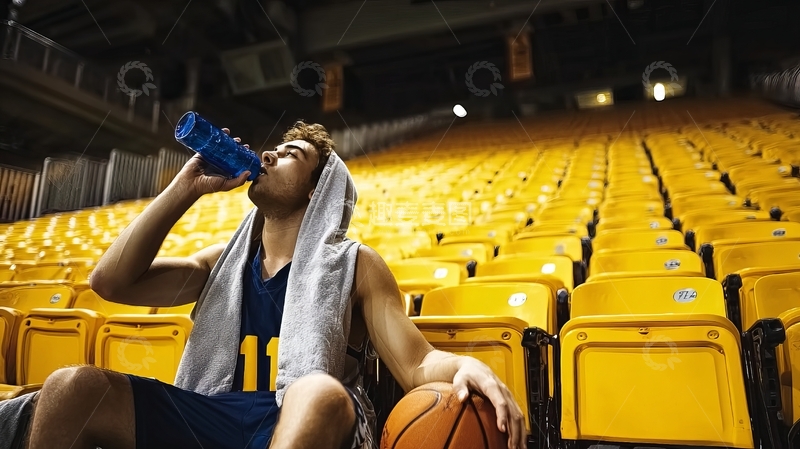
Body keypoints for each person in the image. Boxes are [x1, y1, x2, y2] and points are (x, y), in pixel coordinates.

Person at [23, 121, 527, 449]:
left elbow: (415, 363)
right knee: (74, 385)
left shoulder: (357, 264)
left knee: (317, 391)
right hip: (214, 414)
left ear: (319, 188)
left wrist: (468, 364)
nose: (267, 154)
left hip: (298, 419)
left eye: (290, 154)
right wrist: (186, 185)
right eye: (274, 147)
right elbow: (110, 281)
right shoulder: (220, 263)